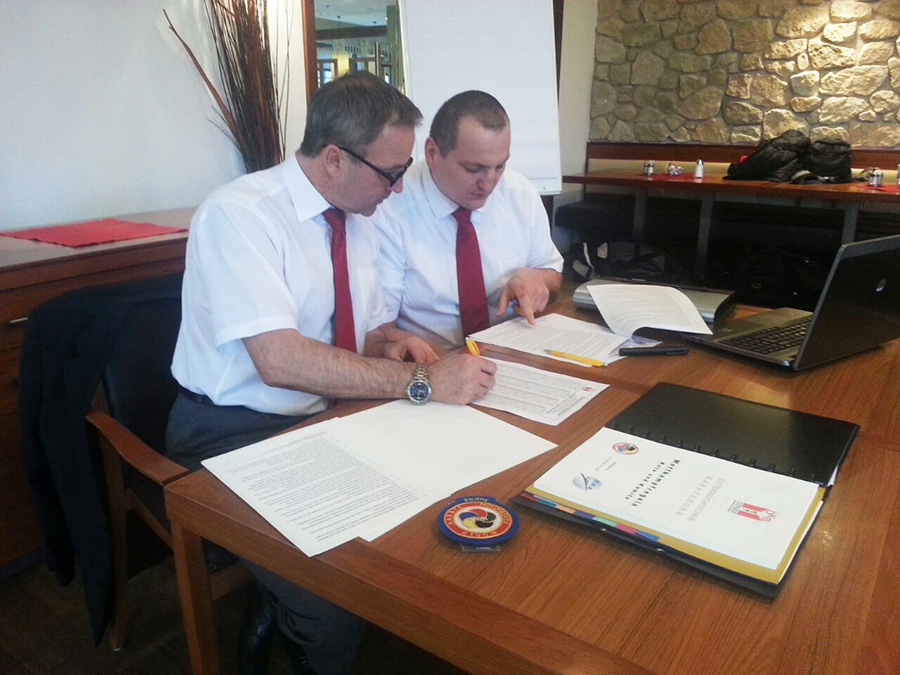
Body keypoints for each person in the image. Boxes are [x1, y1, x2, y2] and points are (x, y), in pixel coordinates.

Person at [166, 71, 496, 674]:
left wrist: (392, 346)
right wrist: (421, 383)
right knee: (336, 598)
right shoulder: (239, 215)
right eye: (391, 173)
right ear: (336, 158)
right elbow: (280, 360)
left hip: (325, 416)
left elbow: (354, 332)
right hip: (232, 430)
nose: (399, 189)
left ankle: (280, 602)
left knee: (439, 514)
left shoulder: (360, 219)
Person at [374, 90, 564, 352]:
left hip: (513, 350)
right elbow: (378, 333)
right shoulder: (389, 209)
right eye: (473, 169)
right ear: (432, 153)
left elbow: (554, 277)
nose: (489, 183)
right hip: (436, 359)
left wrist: (537, 279)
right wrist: (447, 364)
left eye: (500, 166)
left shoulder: (519, 193)